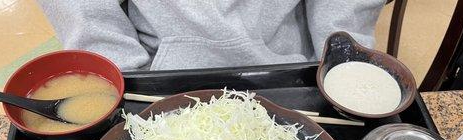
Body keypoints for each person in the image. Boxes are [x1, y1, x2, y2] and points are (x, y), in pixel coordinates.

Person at [38, 0, 385, 71]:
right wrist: (122, 77)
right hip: (155, 79)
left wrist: (342, 65)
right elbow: (84, 13)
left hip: (294, 71)